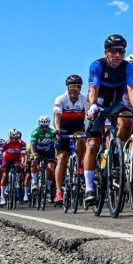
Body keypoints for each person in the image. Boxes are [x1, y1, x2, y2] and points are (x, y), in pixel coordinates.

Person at [84, 34, 133, 207]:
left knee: (127, 121)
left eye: (121, 51)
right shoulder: (97, 65)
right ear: (106, 52)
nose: (118, 55)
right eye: (114, 51)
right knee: (93, 144)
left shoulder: (128, 67)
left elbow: (132, 89)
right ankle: (89, 188)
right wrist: (93, 104)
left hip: (116, 104)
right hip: (99, 105)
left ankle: (116, 153)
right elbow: (93, 87)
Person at [53, 74, 87, 205]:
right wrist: (57, 129)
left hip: (78, 126)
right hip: (63, 127)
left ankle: (80, 163)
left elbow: (89, 116)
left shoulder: (84, 99)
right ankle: (58, 192)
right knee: (62, 158)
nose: (75, 89)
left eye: (78, 86)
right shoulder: (61, 99)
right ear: (68, 87)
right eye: (72, 86)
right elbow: (57, 116)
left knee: (80, 136)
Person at [30, 116, 57, 201]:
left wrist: (56, 155)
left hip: (49, 151)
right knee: (34, 161)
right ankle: (34, 182)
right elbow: (33, 145)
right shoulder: (35, 132)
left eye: (46, 126)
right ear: (39, 125)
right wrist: (34, 154)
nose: (44, 128)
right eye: (42, 126)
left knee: (51, 168)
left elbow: (56, 144)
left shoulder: (52, 131)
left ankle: (48, 187)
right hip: (38, 150)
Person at [0, 129, 26, 206]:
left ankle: (16, 180)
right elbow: (0, 150)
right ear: (9, 137)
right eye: (12, 138)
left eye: (16, 138)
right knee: (4, 176)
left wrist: (23, 163)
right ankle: (2, 197)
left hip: (16, 159)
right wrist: (0, 154)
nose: (14, 140)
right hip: (7, 159)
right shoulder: (6, 143)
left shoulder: (22, 143)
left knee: (19, 166)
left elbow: (23, 154)